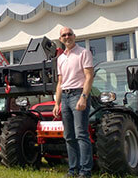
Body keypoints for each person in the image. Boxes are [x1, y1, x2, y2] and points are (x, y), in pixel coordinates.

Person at [53, 27, 94, 178]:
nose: (67, 36)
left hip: (78, 94)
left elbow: (89, 76)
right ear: (60, 39)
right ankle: (73, 170)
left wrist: (84, 96)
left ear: (74, 36)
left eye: (69, 34)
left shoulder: (83, 52)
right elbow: (60, 82)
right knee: (69, 135)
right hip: (65, 96)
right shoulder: (60, 58)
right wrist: (57, 103)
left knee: (81, 134)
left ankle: (85, 171)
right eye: (64, 35)